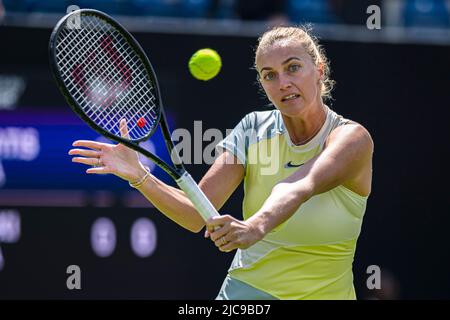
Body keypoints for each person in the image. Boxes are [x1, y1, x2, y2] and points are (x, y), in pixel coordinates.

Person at [69, 25, 373, 300]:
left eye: (293, 68)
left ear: (319, 70)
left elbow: (299, 186)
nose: (282, 83)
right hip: (249, 293)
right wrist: (140, 176)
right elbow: (196, 214)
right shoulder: (253, 128)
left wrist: (255, 226)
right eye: (269, 75)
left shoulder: (352, 139)